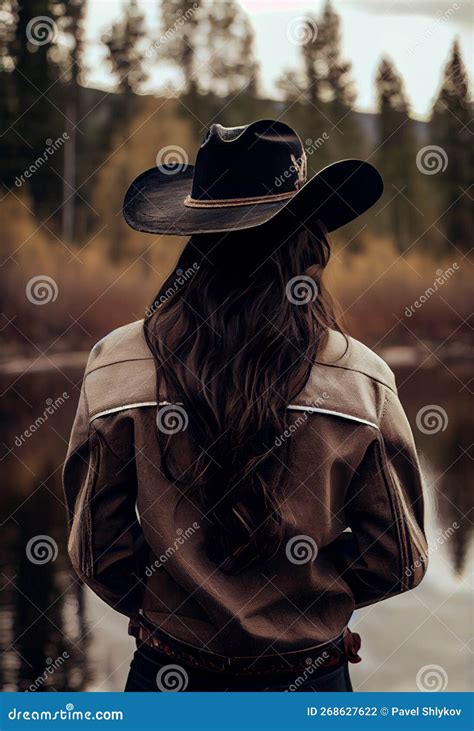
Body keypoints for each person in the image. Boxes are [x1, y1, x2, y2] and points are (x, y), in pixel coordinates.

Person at [63, 120, 428, 692]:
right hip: (309, 682)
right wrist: (309, 611)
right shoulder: (362, 379)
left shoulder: (115, 363)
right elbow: (398, 560)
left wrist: (173, 613)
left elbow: (96, 550)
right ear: (310, 240)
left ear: (196, 237)